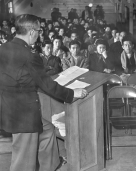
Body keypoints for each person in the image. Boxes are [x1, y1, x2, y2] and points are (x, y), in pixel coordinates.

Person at [0, 14, 88, 171]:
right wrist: (72, 93)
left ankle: (49, 167)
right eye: (39, 31)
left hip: (9, 109)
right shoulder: (29, 55)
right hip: (24, 116)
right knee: (23, 162)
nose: (40, 35)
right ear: (32, 32)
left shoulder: (4, 48)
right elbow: (47, 85)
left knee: (48, 131)